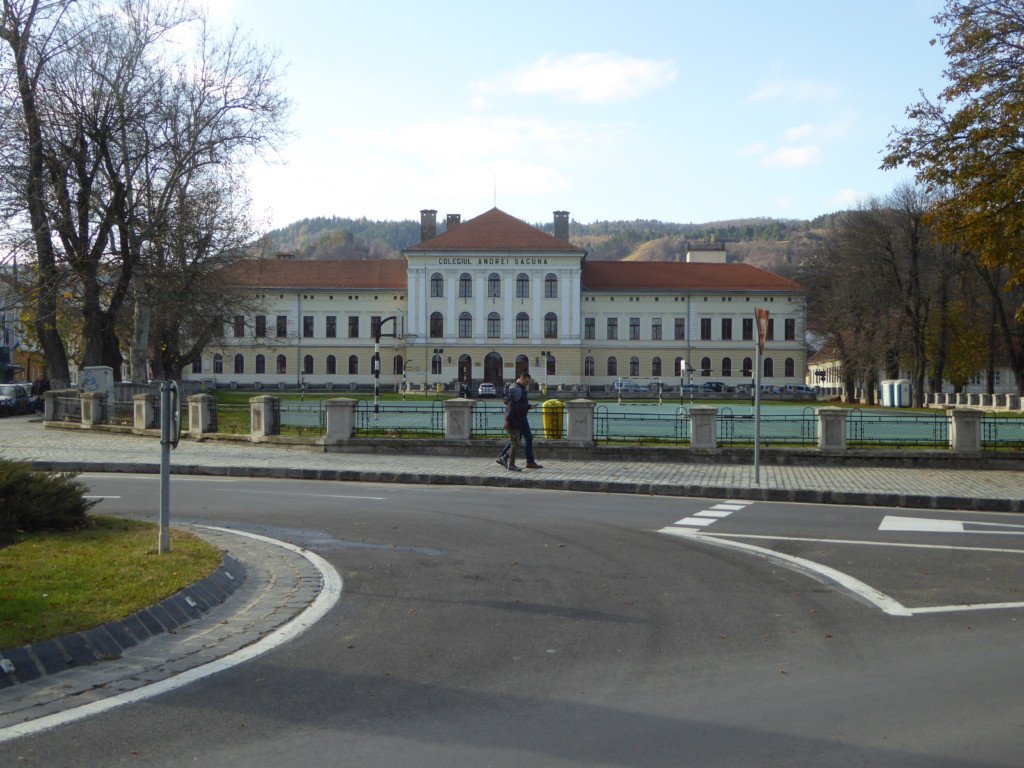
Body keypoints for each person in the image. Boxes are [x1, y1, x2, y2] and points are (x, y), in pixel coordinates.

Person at [497, 371, 543, 470]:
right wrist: (528, 406)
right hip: (519, 418)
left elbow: (515, 404)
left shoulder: (518, 387)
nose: (527, 384)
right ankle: (529, 462)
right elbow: (514, 405)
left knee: (516, 441)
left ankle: (502, 457)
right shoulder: (516, 389)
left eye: (528, 382)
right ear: (521, 379)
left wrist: (528, 406)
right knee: (525, 439)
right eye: (526, 381)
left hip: (519, 417)